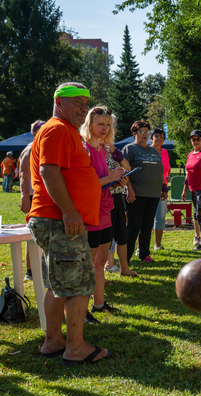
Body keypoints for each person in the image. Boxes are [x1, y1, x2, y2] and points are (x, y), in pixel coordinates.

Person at [26, 82, 112, 363]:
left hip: (56, 220)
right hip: (60, 220)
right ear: (59, 102)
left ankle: (53, 342)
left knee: (59, 285)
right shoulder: (58, 129)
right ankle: (76, 348)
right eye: (77, 102)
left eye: (86, 103)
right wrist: (69, 211)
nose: (83, 108)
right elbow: (49, 171)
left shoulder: (64, 130)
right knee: (79, 285)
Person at [80, 106, 126, 322]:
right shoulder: (84, 149)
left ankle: (99, 304)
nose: (105, 128)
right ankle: (81, 311)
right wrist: (111, 178)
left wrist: (117, 180)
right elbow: (85, 185)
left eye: (107, 124)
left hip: (105, 209)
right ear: (89, 124)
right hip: (90, 212)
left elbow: (103, 180)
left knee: (99, 263)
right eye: (100, 124)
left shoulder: (101, 149)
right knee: (87, 265)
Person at [123, 120, 166, 263]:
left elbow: (159, 170)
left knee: (147, 225)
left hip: (153, 193)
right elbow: (124, 172)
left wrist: (163, 188)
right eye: (141, 131)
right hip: (136, 194)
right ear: (134, 133)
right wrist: (129, 188)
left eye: (147, 131)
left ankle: (144, 254)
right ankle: (126, 257)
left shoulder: (153, 150)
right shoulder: (129, 149)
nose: (144, 134)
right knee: (134, 225)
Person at [102, 114, 138, 278]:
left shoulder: (113, 150)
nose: (111, 129)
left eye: (113, 126)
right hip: (103, 198)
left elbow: (127, 167)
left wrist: (114, 151)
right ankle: (102, 271)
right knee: (105, 237)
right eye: (110, 125)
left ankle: (125, 268)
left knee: (122, 234)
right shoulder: (94, 149)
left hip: (118, 197)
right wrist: (113, 181)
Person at [19, 120, 46, 282]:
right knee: (33, 232)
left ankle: (39, 267)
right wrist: (24, 197)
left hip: (42, 195)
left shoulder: (45, 148)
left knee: (41, 232)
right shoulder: (30, 149)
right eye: (41, 129)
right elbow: (23, 175)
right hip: (32, 196)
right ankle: (30, 270)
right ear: (34, 133)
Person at [151, 128, 170, 250]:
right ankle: (140, 247)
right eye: (157, 136)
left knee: (160, 217)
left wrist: (167, 177)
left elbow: (167, 168)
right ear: (151, 138)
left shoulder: (165, 152)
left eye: (162, 137)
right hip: (149, 188)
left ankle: (157, 244)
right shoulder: (147, 151)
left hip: (163, 189)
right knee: (146, 218)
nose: (159, 139)